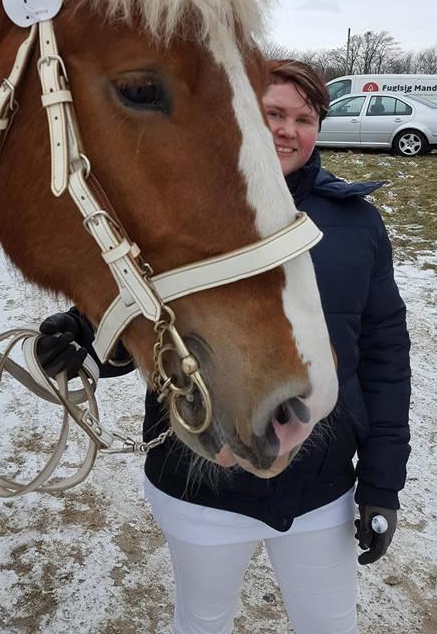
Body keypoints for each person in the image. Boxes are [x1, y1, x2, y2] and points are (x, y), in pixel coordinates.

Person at [37, 59, 411, 634]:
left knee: (330, 625)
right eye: (273, 113)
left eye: (304, 119)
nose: (287, 130)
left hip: (320, 485)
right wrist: (81, 342)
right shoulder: (178, 210)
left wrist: (382, 483)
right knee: (202, 621)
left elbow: (386, 358)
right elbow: (139, 319)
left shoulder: (357, 223)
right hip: (201, 481)